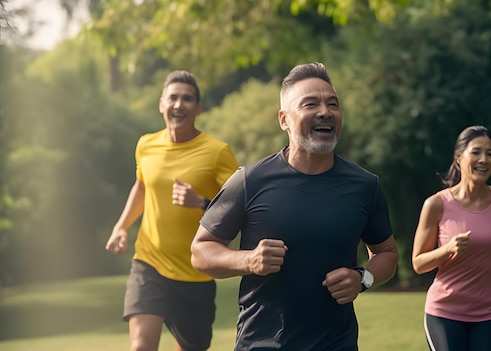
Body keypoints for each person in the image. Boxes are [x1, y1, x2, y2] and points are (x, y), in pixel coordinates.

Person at [190, 62, 399, 350]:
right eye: (310, 104)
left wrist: (363, 278)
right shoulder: (250, 180)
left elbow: (387, 252)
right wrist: (248, 260)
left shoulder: (365, 185)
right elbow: (201, 251)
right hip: (261, 344)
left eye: (333, 104)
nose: (325, 112)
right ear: (284, 119)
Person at [105, 70, 239, 351]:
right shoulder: (146, 145)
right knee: (140, 346)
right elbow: (142, 188)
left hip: (196, 272)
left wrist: (201, 202)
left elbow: (239, 206)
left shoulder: (217, 152)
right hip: (149, 262)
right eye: (173, 98)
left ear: (198, 108)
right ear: (161, 104)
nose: (179, 105)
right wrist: (121, 226)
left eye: (187, 99)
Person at [411, 125, 491, 350]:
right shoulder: (436, 204)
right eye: (476, 152)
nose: (483, 159)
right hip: (445, 312)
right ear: (458, 158)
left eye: (490, 154)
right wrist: (448, 249)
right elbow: (418, 263)